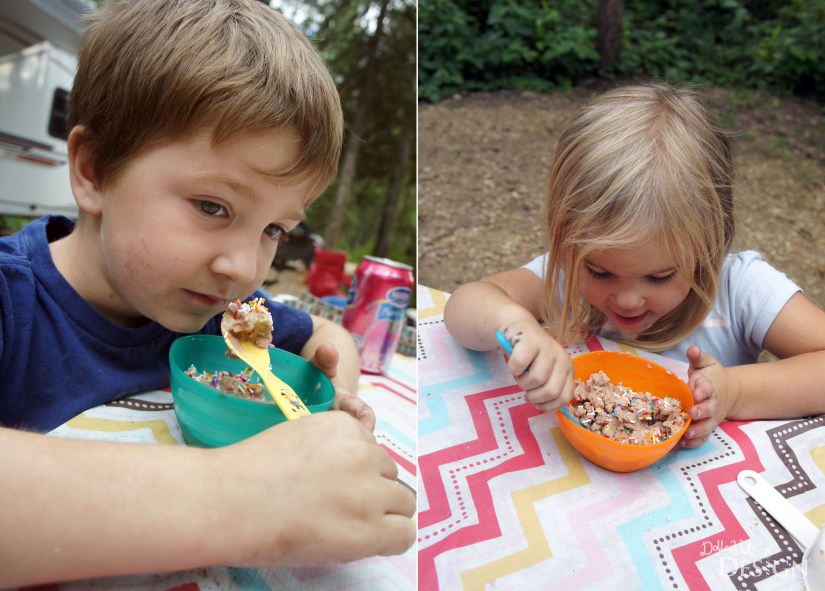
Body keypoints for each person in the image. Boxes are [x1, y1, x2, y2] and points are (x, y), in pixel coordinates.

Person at [0, 1, 415, 587]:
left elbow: (327, 335)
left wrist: (336, 403)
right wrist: (245, 500)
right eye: (212, 207)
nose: (245, 269)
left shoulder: (218, 316)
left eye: (275, 230)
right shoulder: (12, 301)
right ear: (94, 170)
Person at [444, 82, 825, 450]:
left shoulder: (741, 289)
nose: (627, 300)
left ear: (706, 249)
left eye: (660, 276)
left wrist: (738, 391)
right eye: (600, 271)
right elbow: (464, 305)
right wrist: (516, 325)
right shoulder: (566, 278)